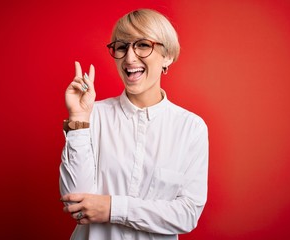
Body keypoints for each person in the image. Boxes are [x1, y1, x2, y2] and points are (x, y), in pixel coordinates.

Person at [59, 8, 209, 240]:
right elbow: (76, 202)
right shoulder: (92, 115)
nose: (129, 58)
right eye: (122, 46)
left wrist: (112, 209)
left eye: (142, 45)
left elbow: (187, 214)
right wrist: (78, 117)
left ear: (167, 55)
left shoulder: (191, 128)